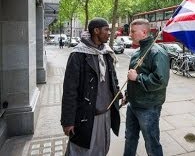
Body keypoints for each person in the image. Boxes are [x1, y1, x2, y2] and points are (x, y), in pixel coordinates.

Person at [61, 17, 123, 156]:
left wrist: (117, 92)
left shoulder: (107, 52)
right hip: (86, 116)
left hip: (106, 113)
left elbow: (112, 78)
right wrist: (67, 121)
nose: (110, 33)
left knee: (102, 149)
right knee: (82, 151)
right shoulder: (78, 55)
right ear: (96, 31)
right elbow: (69, 90)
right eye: (106, 29)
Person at [124, 19, 170, 156]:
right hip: (133, 104)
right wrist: (128, 94)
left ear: (144, 32)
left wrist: (137, 78)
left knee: (151, 143)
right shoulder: (139, 52)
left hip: (148, 107)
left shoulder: (157, 52)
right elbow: (132, 78)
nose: (130, 34)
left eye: (132, 31)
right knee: (130, 138)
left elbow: (160, 81)